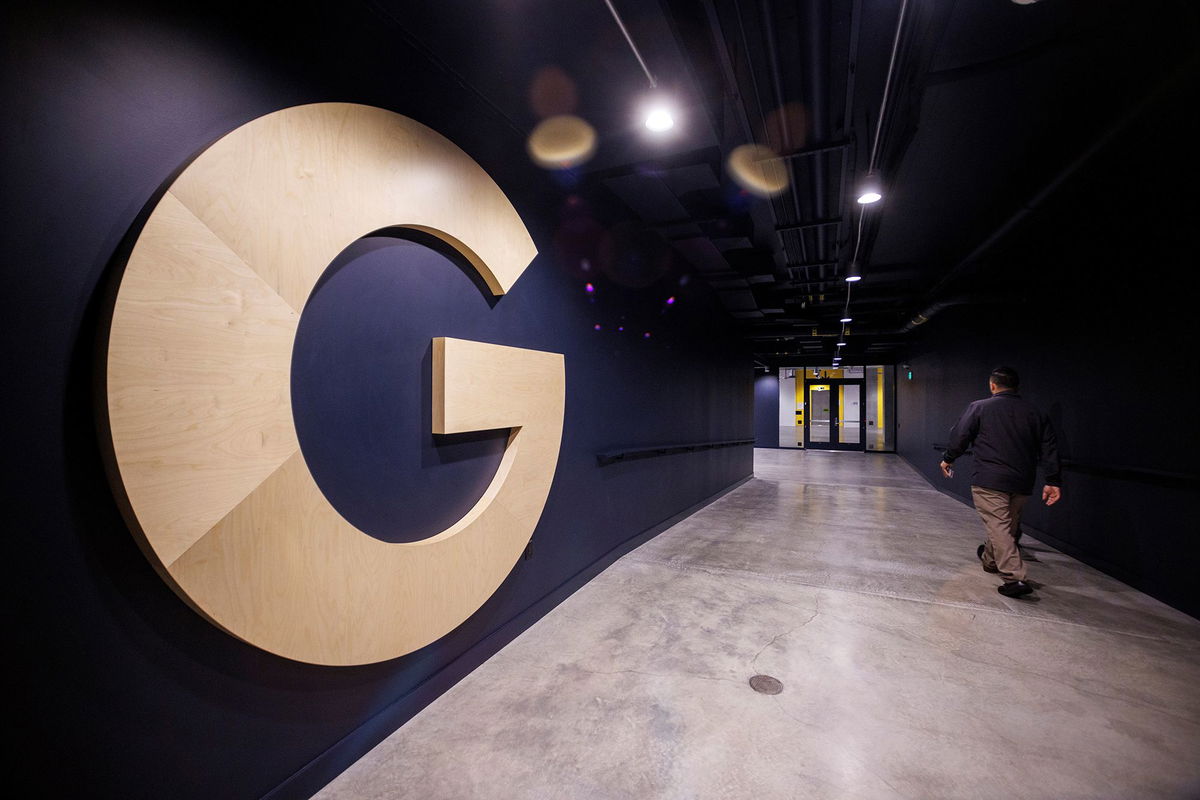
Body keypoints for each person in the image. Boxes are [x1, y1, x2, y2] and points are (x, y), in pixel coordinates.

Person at [940, 366, 1062, 598]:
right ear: (1016, 387)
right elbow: (1049, 447)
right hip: (1023, 481)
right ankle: (989, 560)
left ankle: (1014, 578)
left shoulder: (980, 407)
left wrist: (948, 458)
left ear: (992, 385)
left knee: (999, 526)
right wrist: (1053, 480)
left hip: (989, 479)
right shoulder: (1035, 412)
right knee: (1007, 525)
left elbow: (960, 436)